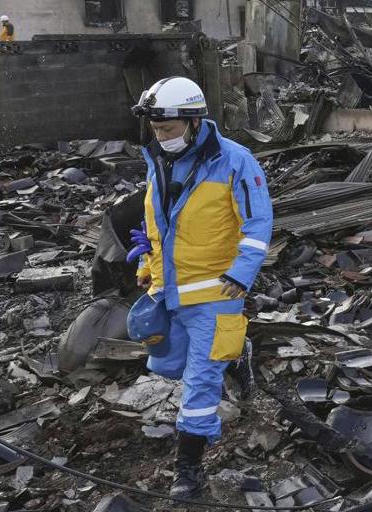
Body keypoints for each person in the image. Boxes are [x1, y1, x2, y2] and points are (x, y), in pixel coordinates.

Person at [128, 76, 271, 500]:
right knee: (168, 365)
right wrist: (149, 263)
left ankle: (188, 467)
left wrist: (240, 275)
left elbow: (258, 224)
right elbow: (162, 223)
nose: (160, 135)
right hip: (169, 289)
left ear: (193, 121)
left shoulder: (235, 162)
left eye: (168, 128)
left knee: (199, 382)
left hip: (217, 292)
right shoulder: (157, 159)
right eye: (155, 128)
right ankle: (237, 355)